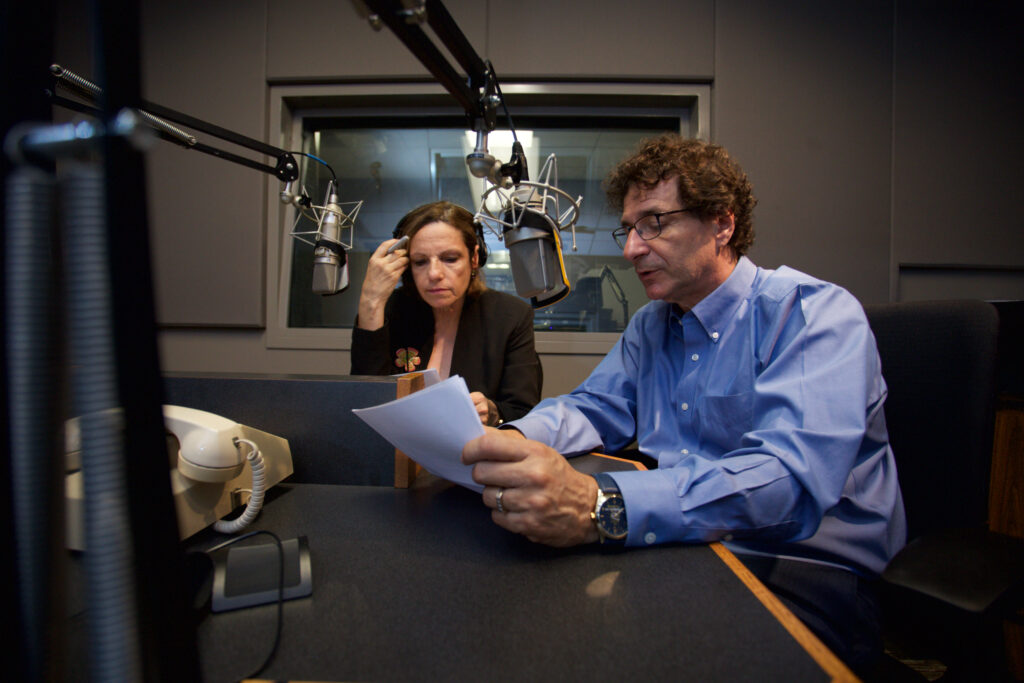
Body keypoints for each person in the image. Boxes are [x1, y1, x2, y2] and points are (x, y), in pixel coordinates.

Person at [461, 134, 906, 675]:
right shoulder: (652, 325)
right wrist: (512, 440)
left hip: (806, 567)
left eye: (655, 223)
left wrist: (600, 506)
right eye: (629, 229)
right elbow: (590, 407)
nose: (631, 249)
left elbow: (786, 480)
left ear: (722, 223)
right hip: (696, 546)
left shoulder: (811, 314)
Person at [351, 200, 542, 425]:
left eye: (450, 259)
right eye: (420, 262)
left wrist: (492, 411)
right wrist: (370, 303)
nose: (434, 273)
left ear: (474, 258)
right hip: (398, 452)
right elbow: (365, 398)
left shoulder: (509, 316)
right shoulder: (392, 309)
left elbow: (523, 410)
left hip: (475, 453)